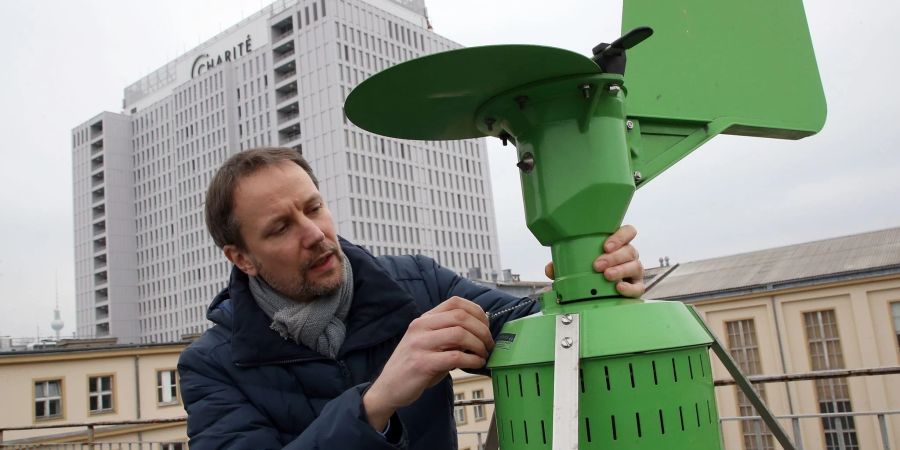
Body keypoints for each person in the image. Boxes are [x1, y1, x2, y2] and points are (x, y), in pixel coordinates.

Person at [178, 147, 645, 449]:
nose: (315, 234)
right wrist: (375, 403)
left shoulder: (418, 283)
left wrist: (593, 282)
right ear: (242, 258)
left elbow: (533, 329)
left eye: (314, 207)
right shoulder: (212, 364)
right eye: (281, 227)